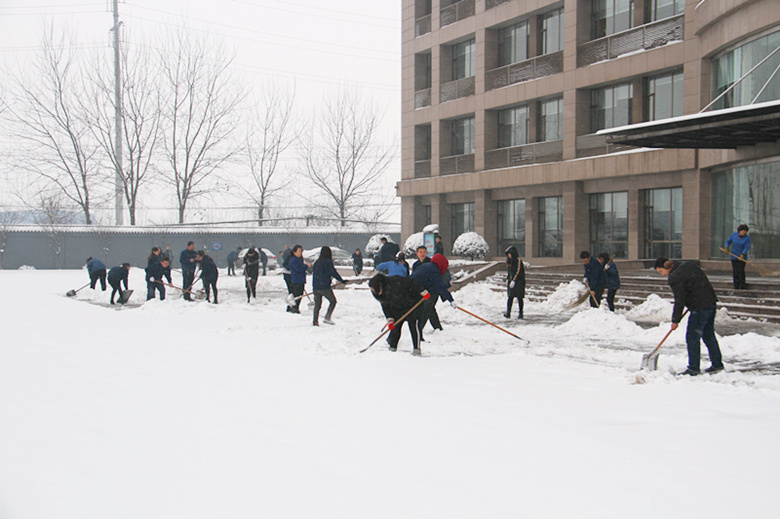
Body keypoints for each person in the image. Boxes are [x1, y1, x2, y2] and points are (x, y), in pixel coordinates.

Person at [654, 257, 724, 376]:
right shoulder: (687, 265)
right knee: (708, 335)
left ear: (666, 267)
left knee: (692, 337)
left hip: (700, 307)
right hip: (710, 302)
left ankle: (693, 368)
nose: (662, 275)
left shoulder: (675, 277)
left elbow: (679, 300)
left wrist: (675, 320)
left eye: (661, 271)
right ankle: (717, 364)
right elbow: (697, 284)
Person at [369, 273, 427, 356]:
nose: (373, 292)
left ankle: (416, 349)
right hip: (396, 309)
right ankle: (392, 349)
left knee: (413, 326)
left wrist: (422, 291)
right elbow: (385, 307)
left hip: (411, 305)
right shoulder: (381, 295)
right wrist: (389, 319)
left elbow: (412, 283)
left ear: (379, 286)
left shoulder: (395, 281)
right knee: (396, 328)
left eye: (374, 289)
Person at [410, 253, 455, 341]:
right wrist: (451, 300)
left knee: (428, 308)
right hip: (417, 290)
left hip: (413, 288)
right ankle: (418, 333)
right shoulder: (434, 270)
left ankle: (436, 327)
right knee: (425, 311)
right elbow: (440, 286)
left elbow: (430, 283)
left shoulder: (427, 266)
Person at [311, 246, 346, 326]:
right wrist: (341, 280)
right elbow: (333, 272)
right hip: (324, 286)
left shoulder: (317, 262)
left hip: (316, 286)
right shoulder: (327, 262)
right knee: (333, 301)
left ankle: (315, 321)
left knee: (317, 305)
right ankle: (327, 317)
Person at [725, 224, 751, 289]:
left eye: (745, 231)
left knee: (741, 270)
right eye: (743, 231)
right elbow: (728, 241)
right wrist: (726, 247)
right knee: (735, 271)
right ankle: (736, 285)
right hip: (734, 256)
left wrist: (743, 254)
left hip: (742, 257)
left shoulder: (747, 238)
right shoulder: (733, 235)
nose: (744, 232)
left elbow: (746, 247)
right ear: (739, 231)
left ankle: (742, 284)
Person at [504, 246, 525, 319]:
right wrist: (508, 279)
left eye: (509, 254)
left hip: (519, 282)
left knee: (519, 298)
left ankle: (520, 313)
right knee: (510, 297)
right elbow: (509, 271)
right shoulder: (509, 262)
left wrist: (514, 280)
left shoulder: (518, 260)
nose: (509, 256)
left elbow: (518, 271)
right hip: (511, 282)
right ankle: (508, 313)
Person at [288, 244, 310, 314]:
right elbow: (299, 269)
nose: (300, 253)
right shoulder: (294, 260)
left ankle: (294, 307)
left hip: (301, 280)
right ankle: (294, 308)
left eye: (301, 251)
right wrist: (306, 266)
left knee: (300, 295)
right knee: (297, 295)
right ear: (294, 252)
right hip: (296, 280)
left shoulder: (299, 259)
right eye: (299, 251)